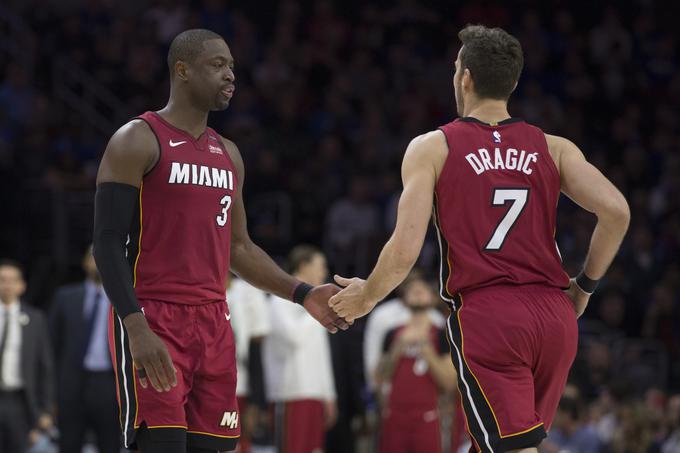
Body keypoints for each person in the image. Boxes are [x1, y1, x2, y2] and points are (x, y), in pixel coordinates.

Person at [329, 24, 630, 453]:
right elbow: (617, 212)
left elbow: (404, 247)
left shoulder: (433, 147)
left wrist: (368, 296)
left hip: (490, 315)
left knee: (511, 446)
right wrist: (584, 287)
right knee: (502, 443)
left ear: (465, 77)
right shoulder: (552, 147)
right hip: (554, 317)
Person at [92, 29, 348, 453]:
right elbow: (105, 243)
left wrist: (302, 294)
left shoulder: (228, 153)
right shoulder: (136, 138)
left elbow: (240, 248)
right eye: (218, 65)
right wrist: (135, 327)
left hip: (213, 322)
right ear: (183, 70)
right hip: (153, 314)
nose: (230, 75)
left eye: (232, 66)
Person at [263, 245, 337, 453]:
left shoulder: (318, 307)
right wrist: (316, 310)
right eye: (320, 266)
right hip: (289, 393)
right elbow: (293, 337)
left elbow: (322, 356)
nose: (324, 272)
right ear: (303, 266)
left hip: (314, 393)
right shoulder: (279, 299)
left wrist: (329, 395)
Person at [49, 245, 120, 453]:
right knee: (69, 445)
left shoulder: (126, 300)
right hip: (71, 384)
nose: (98, 262)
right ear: (84, 263)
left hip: (109, 383)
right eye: (93, 257)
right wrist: (52, 395)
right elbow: (51, 347)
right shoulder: (65, 296)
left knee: (110, 445)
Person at [375, 272, 456, 453]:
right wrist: (398, 347)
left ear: (433, 298)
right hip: (395, 417)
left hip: (428, 417)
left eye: (423, 290)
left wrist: (427, 351)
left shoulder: (442, 334)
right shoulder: (392, 334)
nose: (418, 292)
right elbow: (380, 377)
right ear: (404, 300)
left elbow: (449, 383)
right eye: (412, 290)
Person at [0, 260, 54, 452]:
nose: (6, 285)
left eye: (11, 280)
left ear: (21, 286)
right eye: (2, 280)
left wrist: (46, 410)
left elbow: (44, 367)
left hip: (19, 402)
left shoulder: (35, 319)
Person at [226, 274, 271, 452]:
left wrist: (256, 401)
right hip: (203, 385)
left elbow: (256, 349)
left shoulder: (248, 291)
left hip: (239, 387)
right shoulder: (197, 286)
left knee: (237, 444)